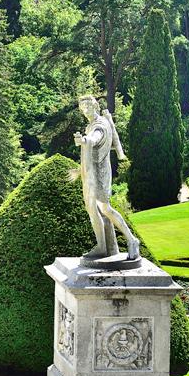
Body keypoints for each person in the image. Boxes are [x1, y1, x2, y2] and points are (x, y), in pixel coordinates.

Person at [75, 96, 140, 262]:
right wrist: (79, 169)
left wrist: (84, 140)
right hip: (97, 171)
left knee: (103, 209)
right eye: (83, 109)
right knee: (99, 209)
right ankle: (105, 246)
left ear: (95, 105)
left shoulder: (99, 126)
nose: (86, 112)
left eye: (88, 107)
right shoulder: (100, 122)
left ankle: (128, 241)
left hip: (99, 173)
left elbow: (96, 138)